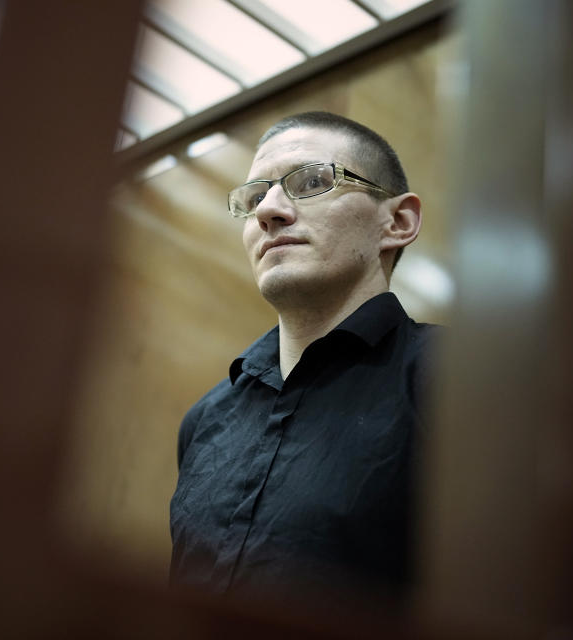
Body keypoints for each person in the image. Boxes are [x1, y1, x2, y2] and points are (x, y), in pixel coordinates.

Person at [169, 112, 439, 610]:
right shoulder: (205, 419)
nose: (269, 211)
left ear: (397, 222)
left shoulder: (455, 379)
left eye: (312, 182)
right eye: (254, 197)